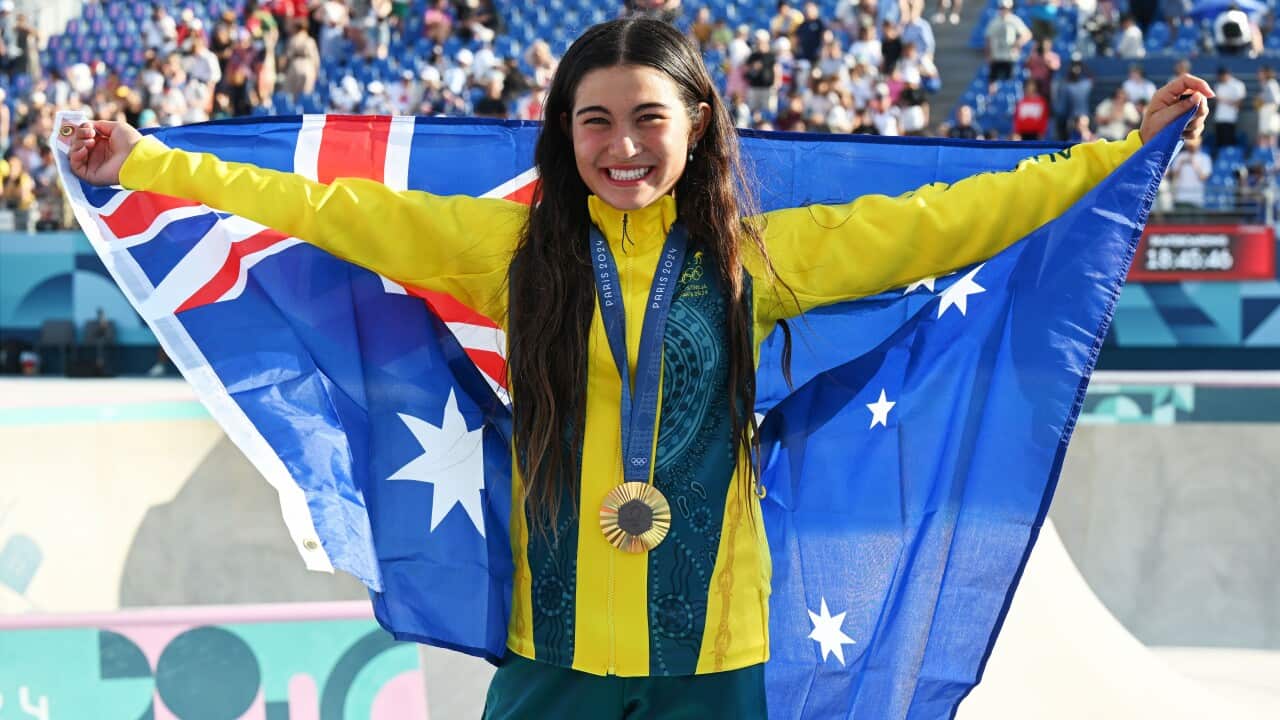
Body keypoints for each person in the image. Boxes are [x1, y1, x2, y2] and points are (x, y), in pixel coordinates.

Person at [67, 18, 1210, 719]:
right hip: (551, 648)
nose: (621, 147)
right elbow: (324, 208)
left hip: (712, 654)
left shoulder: (762, 259)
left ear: (700, 123)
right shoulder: (501, 252)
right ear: (562, 134)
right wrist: (150, 162)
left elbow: (943, 221)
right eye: (593, 121)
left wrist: (1118, 152)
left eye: (647, 119)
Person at [985, 0, 1031, 92]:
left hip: (1010, 57)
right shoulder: (995, 21)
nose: (1003, 10)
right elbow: (988, 39)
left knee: (1009, 84)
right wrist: (988, 55)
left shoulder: (1014, 20)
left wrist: (1018, 43)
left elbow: (1027, 35)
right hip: (997, 57)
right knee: (992, 84)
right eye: (1001, 8)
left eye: (1005, 8)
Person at [1167, 137, 1213, 209]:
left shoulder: (1205, 158)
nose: (1191, 147)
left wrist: (1195, 165)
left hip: (1197, 200)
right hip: (1180, 198)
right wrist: (1181, 164)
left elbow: (1204, 177)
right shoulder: (1180, 157)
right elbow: (1173, 176)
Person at [1214, 65, 1247, 149]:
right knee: (1220, 143)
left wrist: (1223, 100)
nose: (1221, 78)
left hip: (1230, 118)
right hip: (1219, 118)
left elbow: (1239, 103)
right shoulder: (1218, 85)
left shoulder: (1238, 85)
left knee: (1229, 142)